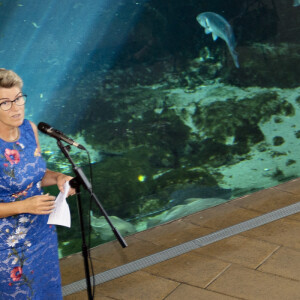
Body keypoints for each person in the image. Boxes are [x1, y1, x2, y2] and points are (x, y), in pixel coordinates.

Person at [0, 68, 75, 299]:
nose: (16, 107)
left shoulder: (30, 129)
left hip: (42, 233)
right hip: (7, 246)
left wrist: (58, 178)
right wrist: (23, 206)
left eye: (19, 98)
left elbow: (34, 174)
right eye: (5, 103)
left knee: (46, 291)